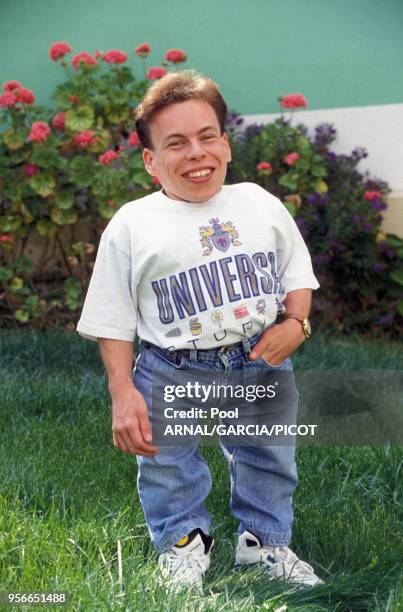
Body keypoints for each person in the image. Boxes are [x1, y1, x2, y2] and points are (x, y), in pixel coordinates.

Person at [77, 70, 323, 594]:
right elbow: (111, 318)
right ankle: (185, 545)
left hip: (260, 360)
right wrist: (123, 393)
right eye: (176, 143)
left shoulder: (259, 203)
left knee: (269, 456)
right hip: (172, 367)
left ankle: (264, 545)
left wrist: (296, 325)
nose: (196, 152)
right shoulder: (132, 224)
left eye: (207, 135)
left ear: (226, 144)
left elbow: (296, 273)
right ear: (151, 161)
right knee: (168, 464)